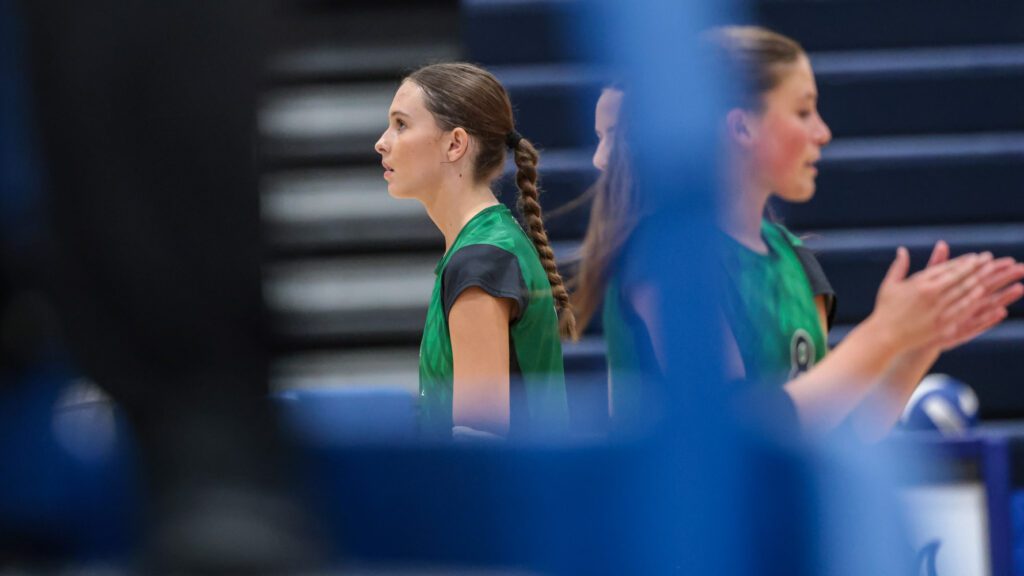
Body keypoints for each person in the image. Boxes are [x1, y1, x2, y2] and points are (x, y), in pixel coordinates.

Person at [573, 26, 1024, 438]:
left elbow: (840, 434)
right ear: (741, 125)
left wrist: (916, 343)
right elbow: (735, 434)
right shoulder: (667, 255)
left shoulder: (792, 259)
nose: (823, 132)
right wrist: (882, 334)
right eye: (803, 111)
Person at [374, 63, 574, 441]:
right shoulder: (485, 245)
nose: (382, 142)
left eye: (401, 124)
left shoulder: (482, 259)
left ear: (455, 143)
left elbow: (480, 444)